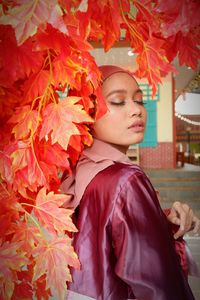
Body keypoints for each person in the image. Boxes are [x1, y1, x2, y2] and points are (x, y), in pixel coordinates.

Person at [62, 65, 200, 300]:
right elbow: (159, 288)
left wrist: (159, 222)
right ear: (86, 112)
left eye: (140, 100)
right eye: (118, 101)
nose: (136, 110)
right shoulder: (127, 180)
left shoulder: (80, 172)